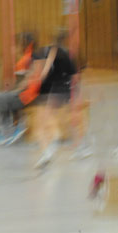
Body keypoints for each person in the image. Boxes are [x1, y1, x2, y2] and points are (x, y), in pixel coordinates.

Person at [34, 32, 79, 168]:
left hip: (55, 91)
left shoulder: (51, 53)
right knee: (47, 118)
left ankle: (49, 147)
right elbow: (75, 78)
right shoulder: (68, 55)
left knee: (43, 120)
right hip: (64, 91)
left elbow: (43, 74)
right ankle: (50, 145)